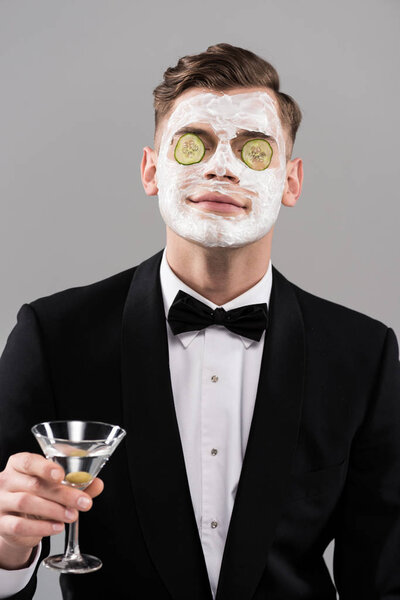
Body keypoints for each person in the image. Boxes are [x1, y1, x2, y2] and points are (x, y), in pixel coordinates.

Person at [0, 42, 399, 600]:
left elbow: (383, 580)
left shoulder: (364, 354)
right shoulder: (53, 335)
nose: (221, 165)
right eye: (195, 145)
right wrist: (8, 552)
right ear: (151, 169)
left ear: (290, 181)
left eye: (254, 150)